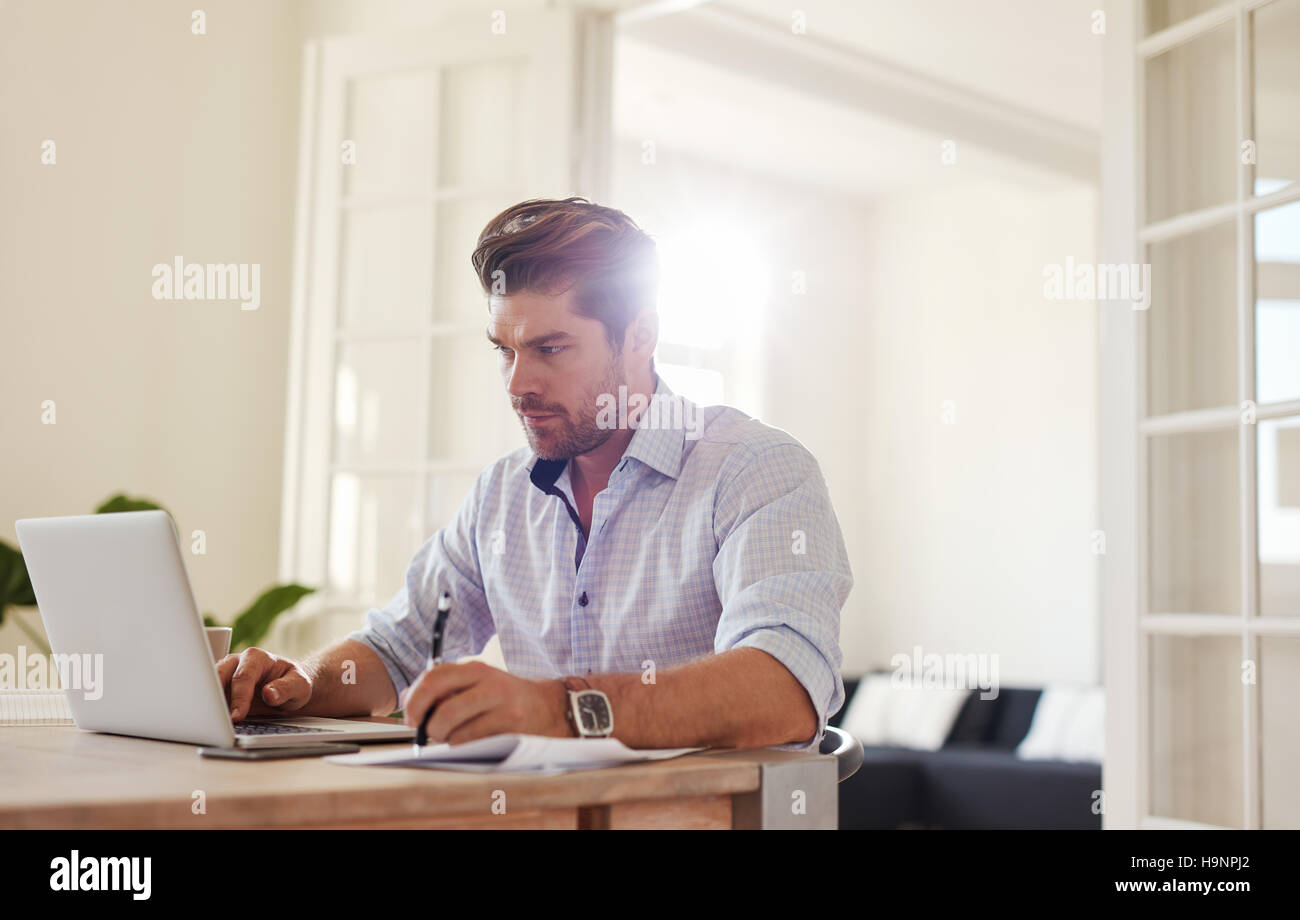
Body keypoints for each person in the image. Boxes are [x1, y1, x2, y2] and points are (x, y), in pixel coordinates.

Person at [219, 197, 853, 751]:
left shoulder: (756, 470)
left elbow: (784, 687)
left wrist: (557, 710)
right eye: (505, 350)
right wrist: (297, 685)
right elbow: (395, 650)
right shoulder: (502, 494)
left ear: (640, 336)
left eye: (550, 349)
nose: (519, 384)